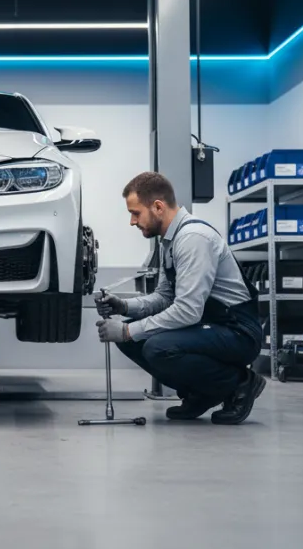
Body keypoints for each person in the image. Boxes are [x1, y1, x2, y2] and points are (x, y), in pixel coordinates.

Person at [94, 172, 265, 425]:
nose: (132, 221)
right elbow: (165, 298)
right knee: (132, 340)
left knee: (156, 346)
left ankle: (239, 383)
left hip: (237, 332)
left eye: (136, 213)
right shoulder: (170, 243)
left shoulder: (193, 239)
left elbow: (187, 311)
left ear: (158, 207)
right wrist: (124, 306)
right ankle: (201, 393)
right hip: (210, 327)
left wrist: (128, 330)